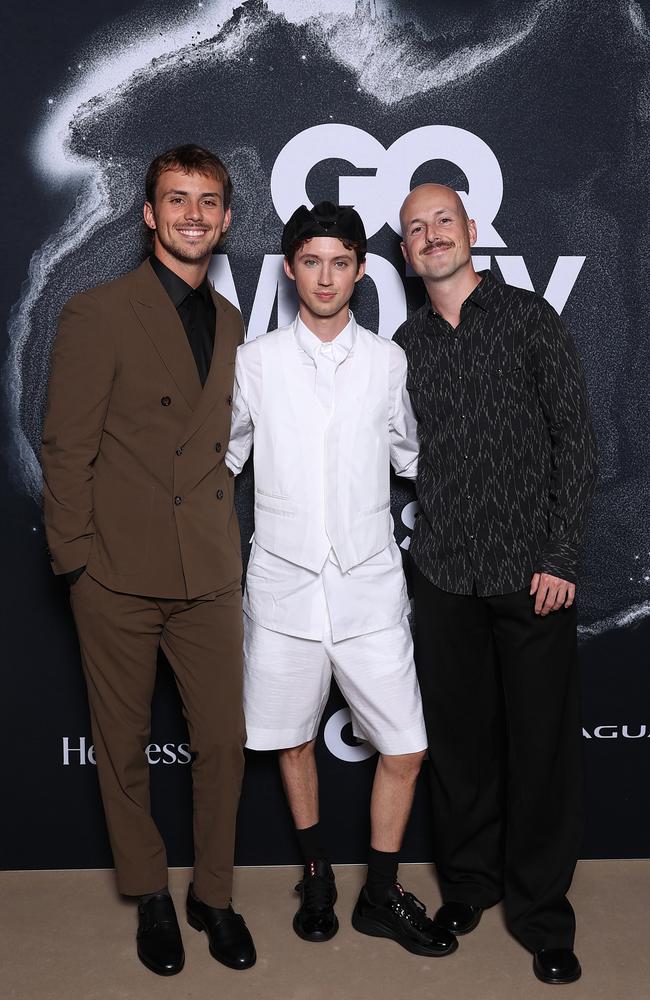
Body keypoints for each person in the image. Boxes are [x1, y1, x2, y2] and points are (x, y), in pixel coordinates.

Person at [41, 144, 256, 976]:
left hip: (205, 570)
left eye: (207, 202)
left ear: (227, 218)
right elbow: (66, 447)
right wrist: (77, 564)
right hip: (116, 575)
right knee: (122, 746)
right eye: (177, 200)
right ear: (148, 213)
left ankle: (214, 894)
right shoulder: (98, 310)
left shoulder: (235, 324)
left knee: (223, 744)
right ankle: (153, 895)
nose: (193, 215)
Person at [226, 201, 457, 959]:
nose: (326, 277)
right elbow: (219, 459)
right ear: (290, 270)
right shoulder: (254, 363)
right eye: (311, 261)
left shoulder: (388, 361)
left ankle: (381, 891)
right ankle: (318, 873)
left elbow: (415, 458)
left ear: (360, 272)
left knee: (407, 746)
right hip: (284, 588)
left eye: (341, 262)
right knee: (290, 741)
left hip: (369, 587)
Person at [394, 183, 598, 984]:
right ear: (406, 253)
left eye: (443, 220)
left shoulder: (529, 319)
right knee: (462, 752)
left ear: (472, 231)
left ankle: (543, 917)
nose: (432, 235)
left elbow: (575, 444)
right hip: (445, 576)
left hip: (531, 577)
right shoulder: (404, 345)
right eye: (416, 228)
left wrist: (561, 557)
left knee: (541, 752)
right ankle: (469, 889)